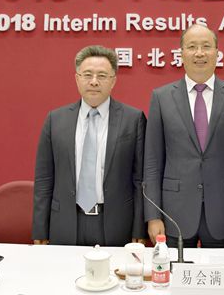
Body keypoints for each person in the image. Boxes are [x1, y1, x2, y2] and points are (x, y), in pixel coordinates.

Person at [143, 23, 224, 248]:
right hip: (174, 213)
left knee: (222, 271)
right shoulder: (162, 97)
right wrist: (153, 215)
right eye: (192, 47)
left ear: (217, 52)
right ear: (181, 53)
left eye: (206, 46)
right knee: (175, 270)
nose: (199, 53)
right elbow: (152, 162)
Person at [32, 45, 146, 246]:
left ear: (113, 81)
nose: (94, 81)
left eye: (102, 75)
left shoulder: (133, 119)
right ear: (77, 79)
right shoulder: (55, 120)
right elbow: (44, 180)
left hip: (116, 224)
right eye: (87, 75)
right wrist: (40, 229)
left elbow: (139, 180)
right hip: (65, 221)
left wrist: (139, 229)